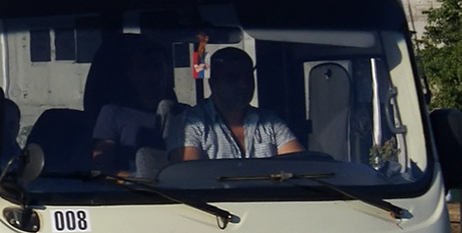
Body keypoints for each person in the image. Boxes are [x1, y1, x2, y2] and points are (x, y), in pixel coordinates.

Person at [170, 47, 303, 161]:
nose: (244, 84)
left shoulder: (269, 121)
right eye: (233, 77)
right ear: (213, 84)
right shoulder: (190, 123)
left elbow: (299, 166)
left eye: (248, 76)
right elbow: (189, 178)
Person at [91, 39, 176, 173]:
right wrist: (133, 182)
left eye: (158, 67)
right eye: (144, 69)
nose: (153, 75)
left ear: (168, 72)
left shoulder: (187, 115)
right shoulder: (113, 114)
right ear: (131, 76)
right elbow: (102, 166)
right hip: (128, 191)